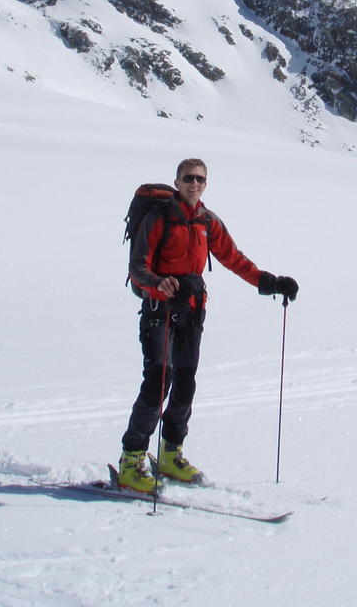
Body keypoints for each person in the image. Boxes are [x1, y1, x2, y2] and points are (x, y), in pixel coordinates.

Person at [118, 157, 299, 493]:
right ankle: (131, 460)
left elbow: (233, 257)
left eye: (200, 179)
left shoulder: (206, 220)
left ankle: (171, 453)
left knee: (185, 382)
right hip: (160, 309)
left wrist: (270, 282)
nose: (195, 184)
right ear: (177, 181)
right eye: (189, 178)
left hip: (192, 310)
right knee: (158, 381)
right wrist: (159, 284)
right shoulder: (159, 218)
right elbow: (137, 267)